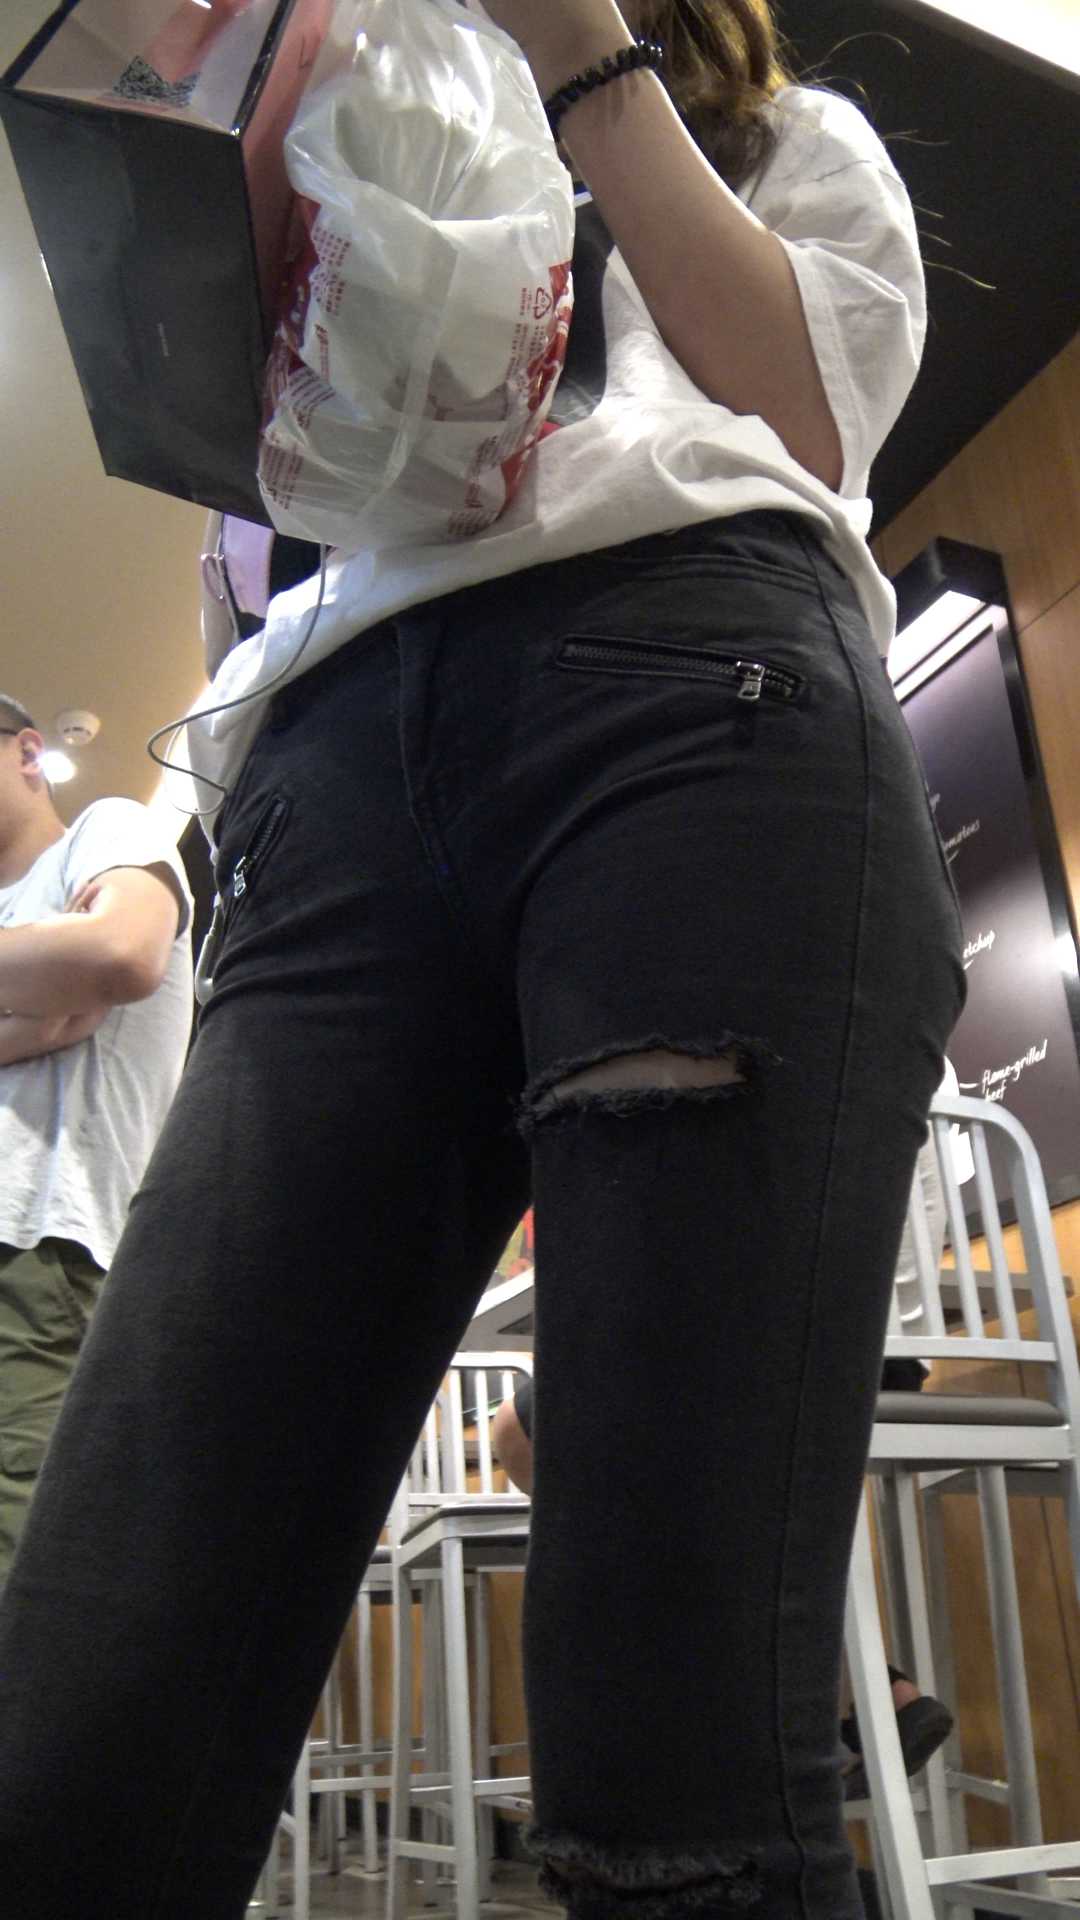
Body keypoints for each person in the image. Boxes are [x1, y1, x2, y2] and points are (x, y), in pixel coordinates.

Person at [0, 4, 966, 1918]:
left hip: (686, 696)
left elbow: (815, 414)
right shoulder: (381, 144)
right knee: (93, 1693)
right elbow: (264, 534)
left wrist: (580, 60)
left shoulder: (787, 142)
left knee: (674, 1737)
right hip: (334, 779)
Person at [0, 696, 193, 1590]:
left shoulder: (107, 830)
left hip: (42, 1240)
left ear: (27, 752)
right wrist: (38, 997)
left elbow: (119, 952)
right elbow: (66, 994)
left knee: (22, 1560)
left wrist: (67, 971)